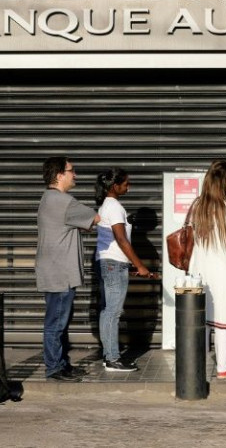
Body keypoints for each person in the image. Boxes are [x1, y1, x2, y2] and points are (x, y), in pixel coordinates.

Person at [35, 157, 100, 382]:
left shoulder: (48, 198)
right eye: (72, 171)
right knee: (56, 323)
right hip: (60, 273)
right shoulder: (64, 201)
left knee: (59, 320)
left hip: (54, 271)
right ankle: (54, 368)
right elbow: (97, 219)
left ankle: (62, 364)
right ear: (60, 175)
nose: (76, 175)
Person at [188, 160, 226, 379]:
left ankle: (197, 365)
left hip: (199, 268)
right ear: (225, 181)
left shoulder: (197, 205)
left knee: (201, 319)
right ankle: (224, 368)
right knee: (222, 321)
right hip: (222, 269)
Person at [95, 167, 155, 372]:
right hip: (114, 264)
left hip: (106, 262)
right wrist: (139, 265)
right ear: (115, 186)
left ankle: (108, 356)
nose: (128, 187)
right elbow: (121, 239)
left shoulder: (106, 206)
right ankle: (112, 358)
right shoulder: (114, 207)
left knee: (107, 311)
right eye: (126, 183)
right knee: (113, 311)